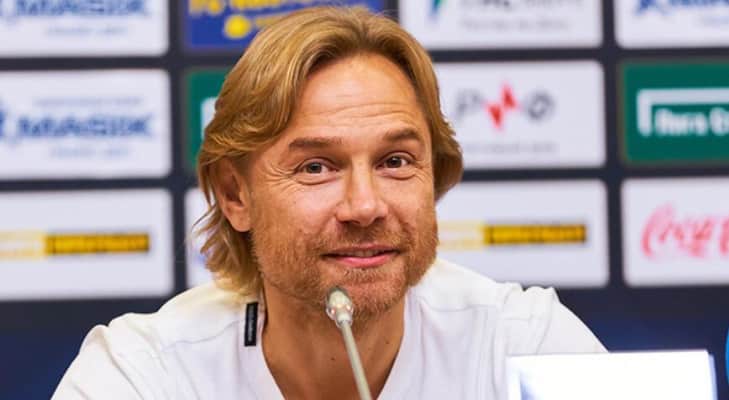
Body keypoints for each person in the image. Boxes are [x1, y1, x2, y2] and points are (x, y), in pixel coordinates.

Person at [53, 7, 605, 399]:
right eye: (316, 167)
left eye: (395, 161)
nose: (364, 206)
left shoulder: (524, 346)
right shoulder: (144, 373)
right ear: (235, 195)